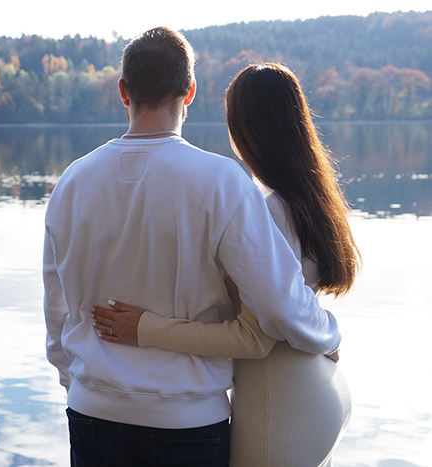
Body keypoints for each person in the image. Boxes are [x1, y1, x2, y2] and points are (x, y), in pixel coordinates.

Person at [43, 28, 340, 467]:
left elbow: (57, 314)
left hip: (91, 415)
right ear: (191, 92)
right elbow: (280, 307)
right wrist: (329, 332)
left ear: (123, 91)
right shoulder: (221, 183)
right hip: (185, 424)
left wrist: (81, 383)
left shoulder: (70, 183)